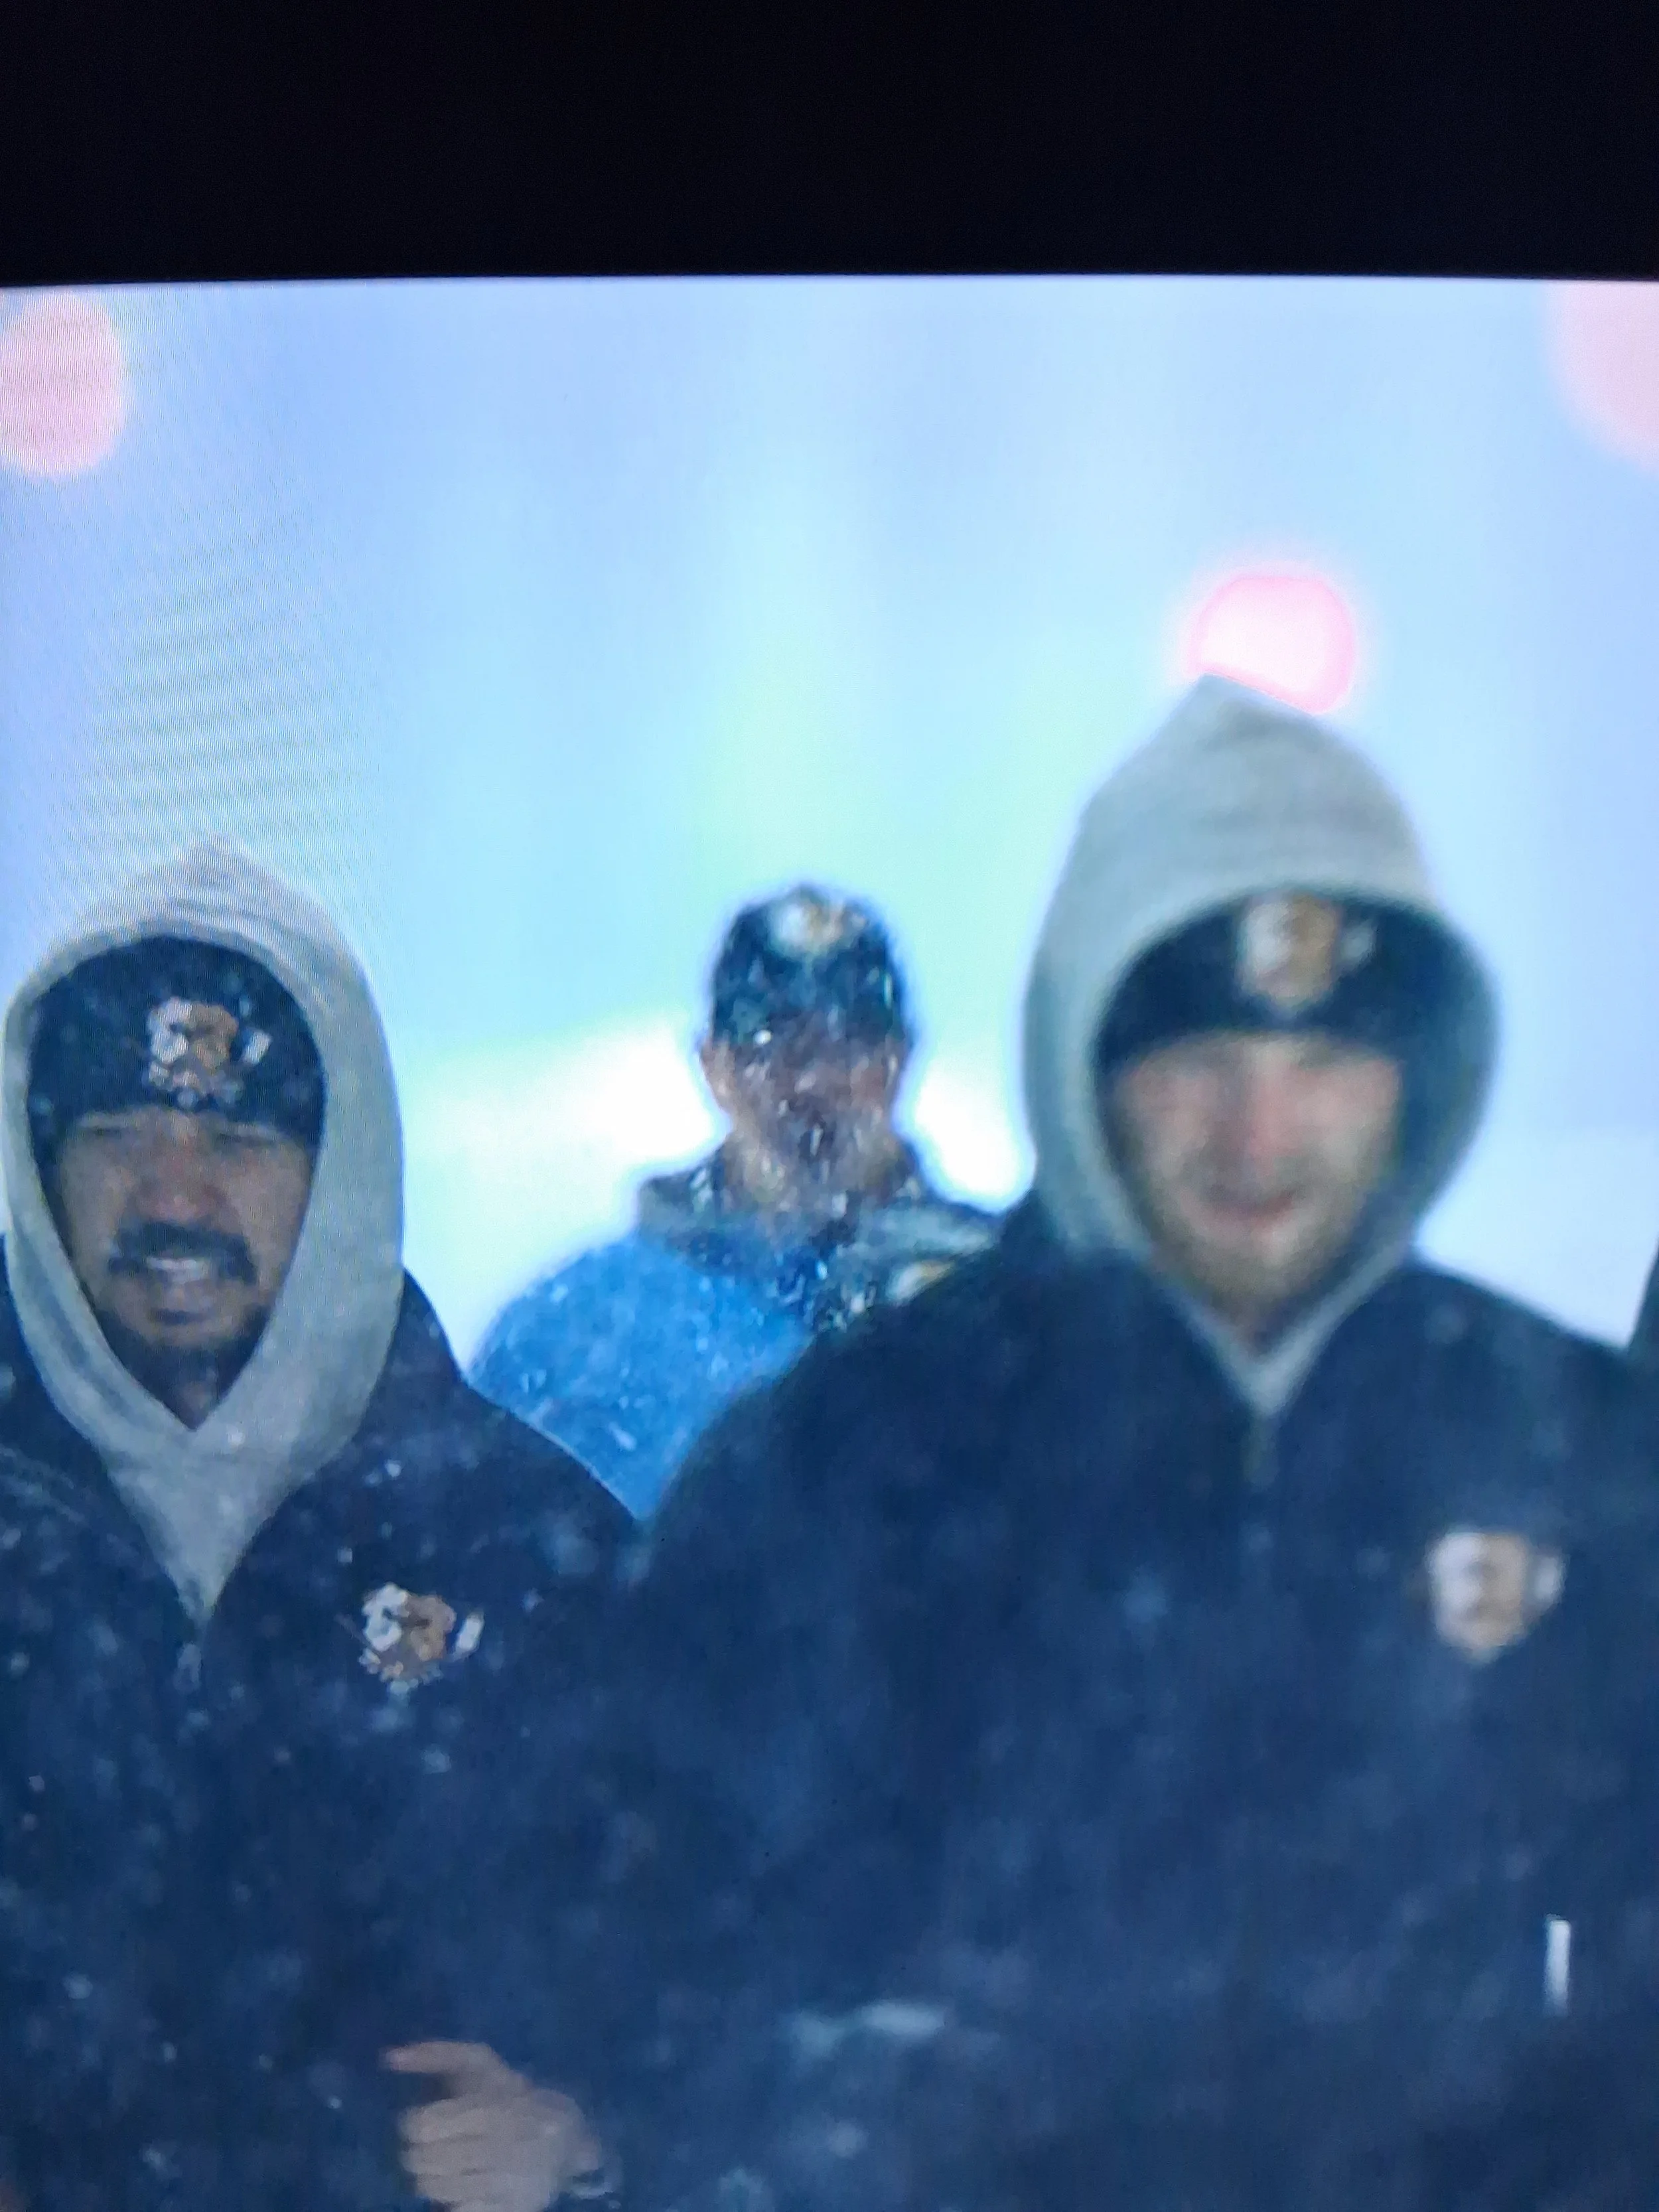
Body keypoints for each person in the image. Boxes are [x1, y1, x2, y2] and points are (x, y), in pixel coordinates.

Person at [620, 676, 1657, 2209]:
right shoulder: (847, 1463)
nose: (1258, 1134)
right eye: (1199, 1062)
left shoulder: (1564, 1444)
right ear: (1084, 1053)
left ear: (1416, 1073)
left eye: (1322, 1066)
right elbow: (647, 1930)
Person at [0, 840, 641, 2211]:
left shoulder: (533, 1550)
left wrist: (591, 2137)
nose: (174, 1197)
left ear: (342, 1170)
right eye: (116, 1138)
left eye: (236, 1140)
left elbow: (743, 1957)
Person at [470, 885, 998, 1517]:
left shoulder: (1011, 1296)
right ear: (712, 1065)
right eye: (770, 1043)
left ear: (900, 1059)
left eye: (849, 1042)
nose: (809, 1082)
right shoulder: (568, 1338)